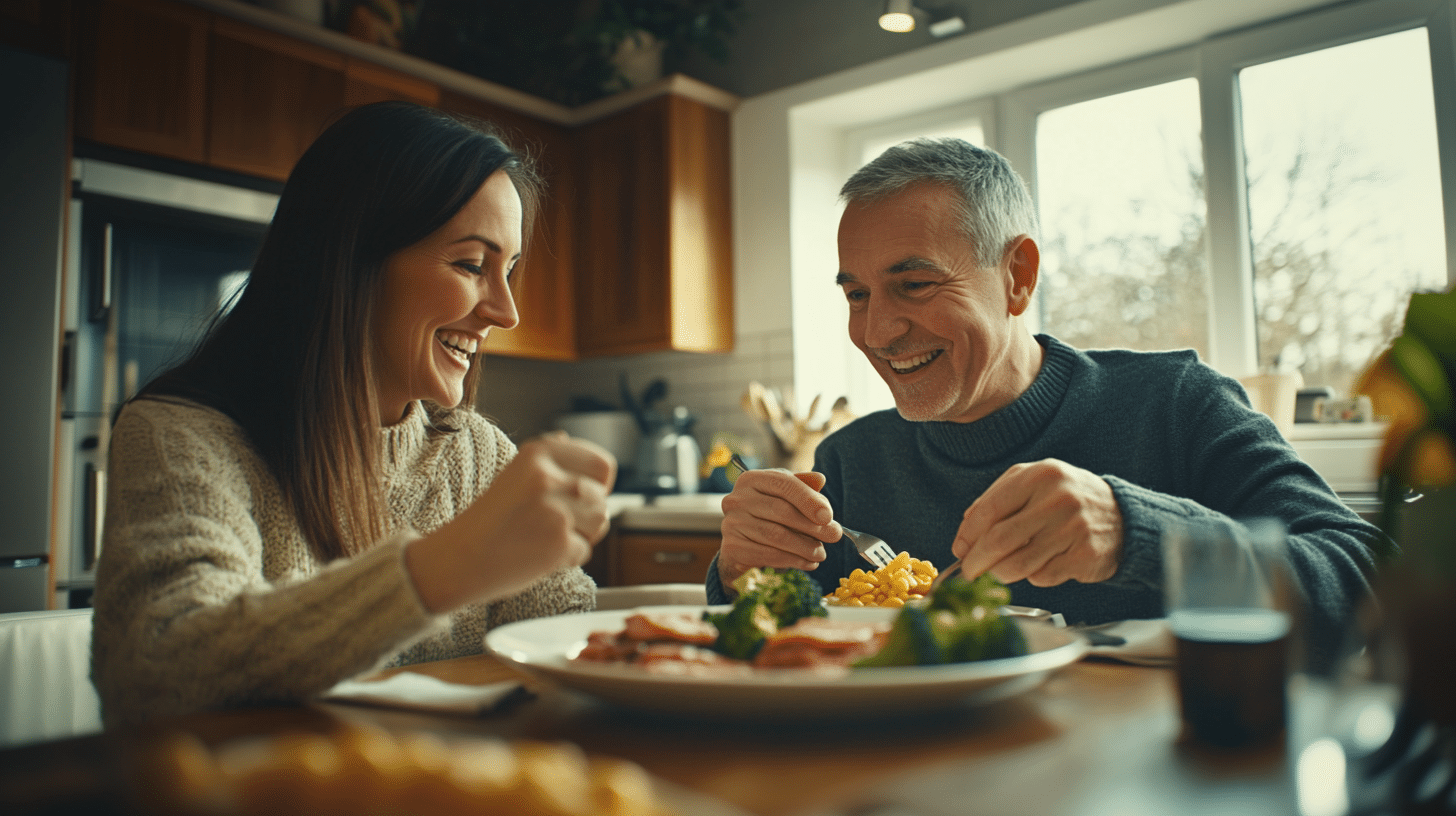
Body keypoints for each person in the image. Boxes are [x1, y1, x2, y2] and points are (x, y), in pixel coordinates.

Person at [708, 137, 1385, 672]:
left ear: (1018, 276)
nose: (876, 332)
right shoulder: (848, 462)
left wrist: (1137, 535)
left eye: (914, 285)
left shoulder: (1175, 403)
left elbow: (1366, 581)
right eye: (857, 295)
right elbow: (784, 645)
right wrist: (741, 576)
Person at [91, 102, 615, 727]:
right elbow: (160, 670)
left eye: (510, 271)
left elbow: (574, 640)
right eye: (472, 265)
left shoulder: (478, 454)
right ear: (350, 262)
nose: (507, 313)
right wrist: (445, 567)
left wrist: (717, 595)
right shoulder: (179, 437)